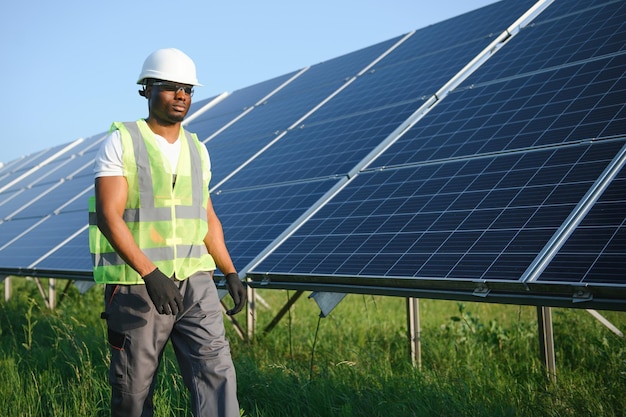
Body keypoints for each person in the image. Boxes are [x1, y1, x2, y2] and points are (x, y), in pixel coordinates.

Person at [88, 47, 246, 417]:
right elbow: (110, 216)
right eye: (171, 86)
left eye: (188, 89)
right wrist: (150, 273)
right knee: (134, 389)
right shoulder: (121, 141)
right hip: (138, 284)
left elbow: (205, 216)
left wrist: (230, 271)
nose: (181, 96)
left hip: (196, 280)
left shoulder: (197, 149)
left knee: (217, 374)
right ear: (146, 89)